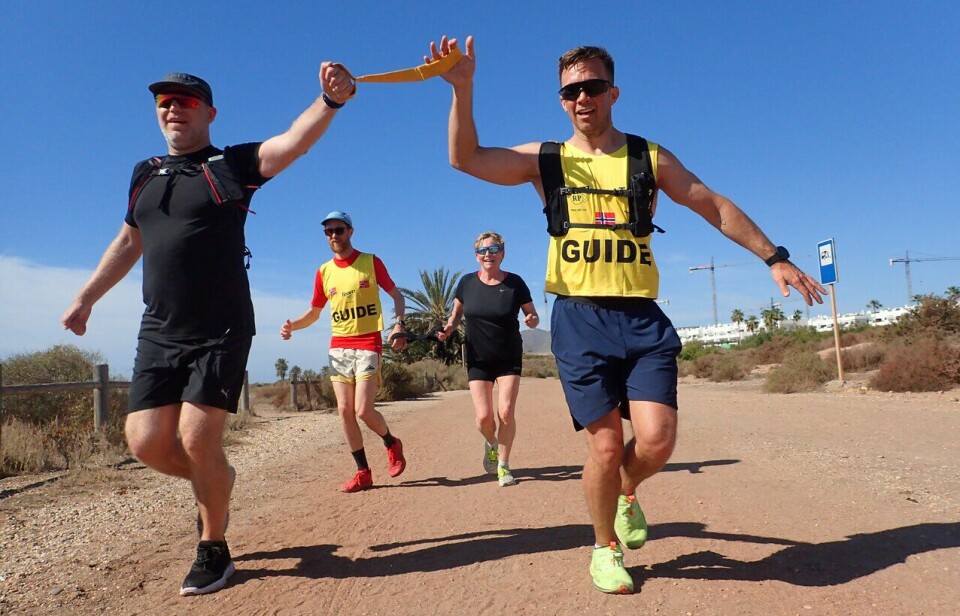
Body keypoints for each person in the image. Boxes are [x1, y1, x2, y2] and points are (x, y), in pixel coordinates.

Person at [429, 36, 827, 594]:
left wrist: (774, 257)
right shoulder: (546, 160)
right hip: (579, 318)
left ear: (613, 92)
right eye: (570, 91)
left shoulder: (648, 157)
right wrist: (462, 88)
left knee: (658, 441)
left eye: (592, 87)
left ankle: (623, 490)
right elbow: (465, 159)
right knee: (606, 445)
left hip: (641, 317)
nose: (581, 98)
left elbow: (712, 204)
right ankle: (604, 547)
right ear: (561, 100)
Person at [61, 65, 358, 597]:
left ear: (210, 113)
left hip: (221, 325)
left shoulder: (230, 166)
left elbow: (292, 143)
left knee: (198, 439)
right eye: (165, 102)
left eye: (186, 101)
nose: (173, 108)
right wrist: (86, 297)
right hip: (159, 327)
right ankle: (217, 479)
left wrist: (329, 102)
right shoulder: (145, 173)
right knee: (145, 443)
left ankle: (213, 545)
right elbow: (128, 242)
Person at [281, 211, 408, 494]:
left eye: (338, 230)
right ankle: (363, 473)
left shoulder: (370, 262)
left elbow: (397, 296)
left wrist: (399, 324)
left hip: (368, 342)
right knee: (344, 410)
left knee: (363, 410)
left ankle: (391, 443)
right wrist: (293, 327)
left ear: (350, 231)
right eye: (328, 232)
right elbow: (314, 312)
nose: (334, 236)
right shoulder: (324, 272)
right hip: (339, 346)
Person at [437, 231, 539, 487]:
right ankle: (492, 444)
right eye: (482, 250)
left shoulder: (515, 282)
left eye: (493, 250)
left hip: (508, 356)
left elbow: (532, 313)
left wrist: (532, 319)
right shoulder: (466, 283)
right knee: (483, 418)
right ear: (476, 256)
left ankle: (503, 465)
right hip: (478, 357)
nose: (488, 255)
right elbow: (456, 314)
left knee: (505, 412)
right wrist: (448, 328)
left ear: (502, 253)